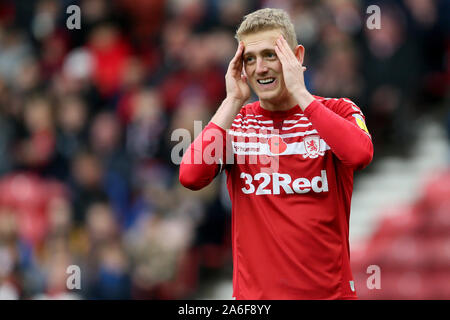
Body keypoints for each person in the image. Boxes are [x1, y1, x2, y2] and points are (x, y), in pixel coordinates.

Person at [179, 8, 373, 300]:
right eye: (250, 59)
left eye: (271, 54)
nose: (260, 68)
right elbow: (190, 176)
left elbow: (360, 154)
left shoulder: (340, 110)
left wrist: (301, 94)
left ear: (297, 56)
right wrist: (232, 100)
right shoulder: (238, 124)